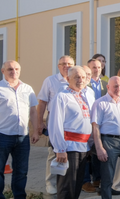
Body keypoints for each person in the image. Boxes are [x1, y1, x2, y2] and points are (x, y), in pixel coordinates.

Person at [0, 61, 39, 199]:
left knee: (21, 171)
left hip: (22, 137)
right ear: (3, 71)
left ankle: (19, 196)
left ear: (20, 70)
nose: (14, 71)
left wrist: (36, 131)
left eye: (16, 69)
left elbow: (33, 112)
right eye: (10, 69)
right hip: (1, 136)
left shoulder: (27, 88)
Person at [49, 66, 95, 199]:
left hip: (83, 147)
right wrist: (60, 148)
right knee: (67, 187)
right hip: (69, 147)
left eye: (82, 77)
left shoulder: (86, 96)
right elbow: (55, 124)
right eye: (76, 77)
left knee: (77, 185)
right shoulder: (62, 97)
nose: (80, 80)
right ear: (68, 79)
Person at [36, 55, 75, 195]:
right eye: (63, 64)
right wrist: (40, 123)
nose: (67, 66)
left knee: (69, 153)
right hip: (54, 121)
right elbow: (42, 103)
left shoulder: (75, 80)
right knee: (54, 152)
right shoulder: (50, 81)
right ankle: (50, 182)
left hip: (71, 123)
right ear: (58, 66)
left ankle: (64, 182)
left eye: (70, 64)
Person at [83, 59, 109, 193]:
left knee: (97, 149)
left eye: (99, 67)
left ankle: (97, 178)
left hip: (100, 121)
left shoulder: (105, 83)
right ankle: (85, 181)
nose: (96, 69)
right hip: (86, 120)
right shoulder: (84, 84)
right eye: (93, 67)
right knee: (85, 152)